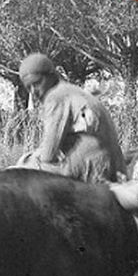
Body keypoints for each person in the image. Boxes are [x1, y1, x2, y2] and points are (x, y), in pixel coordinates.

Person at [15, 52, 126, 183]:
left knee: (20, 173)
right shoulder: (74, 91)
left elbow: (48, 154)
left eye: (37, 83)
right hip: (115, 165)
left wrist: (28, 159)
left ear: (51, 76)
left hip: (92, 165)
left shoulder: (56, 97)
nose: (34, 91)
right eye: (29, 87)